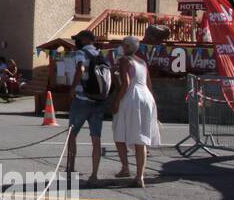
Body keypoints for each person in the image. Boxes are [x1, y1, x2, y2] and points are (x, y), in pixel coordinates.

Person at [111, 35, 162, 187]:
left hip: (132, 97)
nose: (121, 47)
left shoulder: (125, 60)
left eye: (123, 45)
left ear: (127, 47)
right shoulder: (142, 62)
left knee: (119, 130)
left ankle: (125, 167)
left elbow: (126, 83)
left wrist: (117, 101)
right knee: (141, 138)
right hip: (146, 96)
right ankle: (140, 176)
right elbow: (149, 84)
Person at [65, 30, 110, 184]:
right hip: (99, 100)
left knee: (72, 134)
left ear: (85, 40)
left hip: (82, 98)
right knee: (96, 138)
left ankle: (70, 168)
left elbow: (81, 69)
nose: (76, 41)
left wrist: (72, 88)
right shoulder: (100, 54)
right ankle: (94, 175)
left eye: (78, 39)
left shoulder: (81, 53)